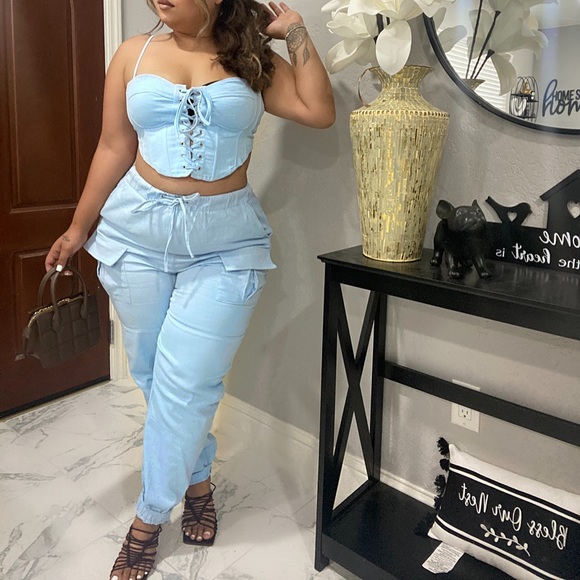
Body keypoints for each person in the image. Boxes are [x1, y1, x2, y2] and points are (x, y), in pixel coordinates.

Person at [45, 1, 334, 578]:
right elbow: (113, 146)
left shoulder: (250, 57)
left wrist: (297, 32)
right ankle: (197, 481)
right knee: (154, 374)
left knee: (188, 381)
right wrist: (78, 227)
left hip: (226, 245)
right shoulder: (132, 55)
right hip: (137, 235)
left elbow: (318, 110)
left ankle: (149, 519)